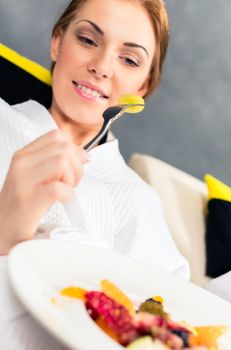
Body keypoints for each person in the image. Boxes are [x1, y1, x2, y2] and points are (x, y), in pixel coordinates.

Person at [0, 0, 190, 348]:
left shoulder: (142, 203)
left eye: (129, 60)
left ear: (142, 88)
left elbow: (166, 326)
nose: (101, 67)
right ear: (58, 42)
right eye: (88, 40)